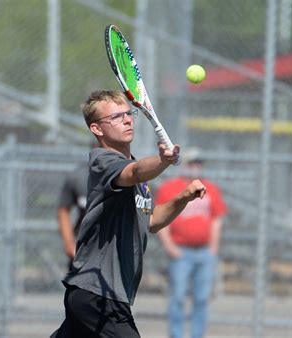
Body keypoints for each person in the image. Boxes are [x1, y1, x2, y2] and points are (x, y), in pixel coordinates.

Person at [51, 90, 207, 338]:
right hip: (98, 295)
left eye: (127, 113)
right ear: (97, 129)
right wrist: (163, 160)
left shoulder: (136, 175)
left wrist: (183, 198)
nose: (126, 120)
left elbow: (152, 221)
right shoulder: (104, 162)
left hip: (105, 295)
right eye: (115, 117)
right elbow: (134, 173)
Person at [156, 147, 227, 338]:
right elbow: (160, 220)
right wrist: (170, 246)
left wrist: (213, 247)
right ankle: (177, 335)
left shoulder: (210, 188)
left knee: (202, 299)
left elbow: (216, 219)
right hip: (181, 251)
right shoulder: (170, 188)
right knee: (178, 297)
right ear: (184, 165)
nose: (196, 167)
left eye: (199, 164)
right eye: (192, 163)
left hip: (204, 252)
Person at [57, 145, 93, 271]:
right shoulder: (79, 177)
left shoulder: (127, 175)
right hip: (83, 249)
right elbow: (63, 210)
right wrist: (69, 243)